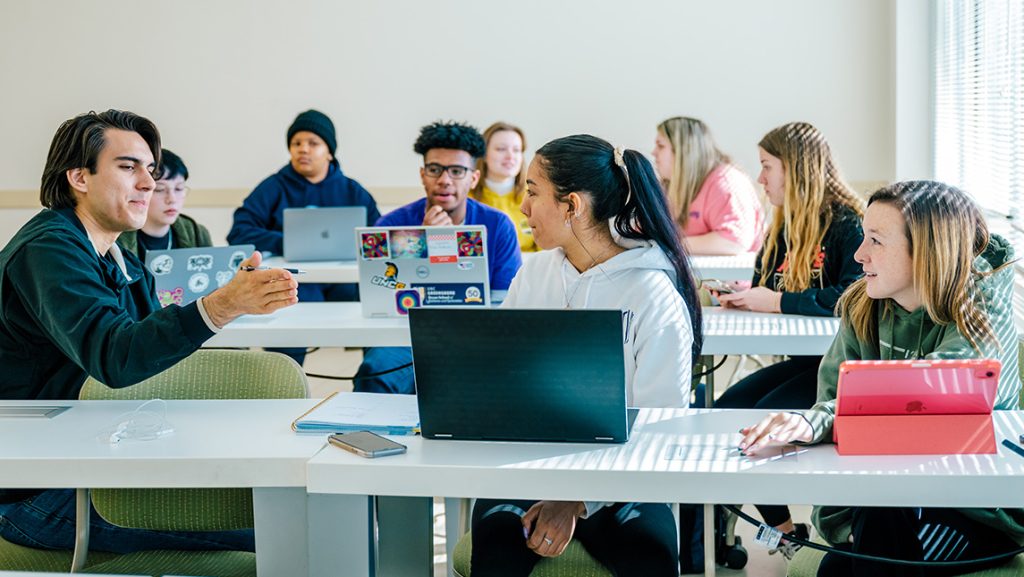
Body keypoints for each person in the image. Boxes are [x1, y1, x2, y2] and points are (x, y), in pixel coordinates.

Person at [0, 110, 298, 553]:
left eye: (150, 170)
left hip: (94, 457)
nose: (148, 183)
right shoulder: (49, 248)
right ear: (79, 177)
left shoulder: (120, 257)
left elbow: (150, 358)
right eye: (128, 167)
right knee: (281, 524)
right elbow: (117, 358)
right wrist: (221, 306)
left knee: (280, 501)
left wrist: (222, 305)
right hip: (34, 493)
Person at [739, 181, 1023, 576]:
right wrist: (839, 522)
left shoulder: (981, 309)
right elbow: (836, 400)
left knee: (848, 560)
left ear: (927, 251)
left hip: (975, 507)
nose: (859, 254)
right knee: (848, 556)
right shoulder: (863, 304)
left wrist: (816, 420)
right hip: (888, 496)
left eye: (876, 240)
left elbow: (929, 396)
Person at [470, 134, 704, 577]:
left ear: (572, 205)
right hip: (531, 469)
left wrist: (576, 500)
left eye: (533, 192)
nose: (522, 206)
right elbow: (501, 383)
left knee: (648, 556)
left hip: (625, 483)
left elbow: (660, 422)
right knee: (496, 548)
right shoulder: (533, 275)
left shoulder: (652, 294)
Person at [712, 121, 865, 554]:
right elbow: (766, 280)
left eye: (766, 167)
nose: (760, 179)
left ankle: (783, 532)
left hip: (839, 367)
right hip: (804, 361)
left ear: (796, 170)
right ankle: (780, 528)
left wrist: (776, 302)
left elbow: (852, 295)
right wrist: (744, 295)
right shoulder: (785, 225)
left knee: (757, 424)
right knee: (724, 414)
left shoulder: (847, 224)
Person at [353, 121, 522, 395]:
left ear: (474, 178)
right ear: (423, 175)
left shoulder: (498, 225)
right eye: (435, 170)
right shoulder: (391, 224)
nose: (445, 180)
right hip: (405, 336)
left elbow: (507, 302)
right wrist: (423, 243)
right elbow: (378, 295)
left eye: (457, 171)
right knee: (375, 371)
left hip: (475, 338)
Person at [227, 109, 379, 364]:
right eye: (296, 143)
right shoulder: (274, 186)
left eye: (313, 143)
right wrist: (287, 243)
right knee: (287, 315)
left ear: (329, 151)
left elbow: (375, 238)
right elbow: (239, 231)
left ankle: (372, 376)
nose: (303, 149)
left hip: (344, 283)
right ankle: (283, 382)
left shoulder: (352, 190)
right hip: (292, 280)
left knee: (374, 311)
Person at [652, 116, 764, 255]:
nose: (653, 153)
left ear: (683, 150)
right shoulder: (669, 186)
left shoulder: (725, 181)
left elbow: (733, 242)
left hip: (726, 276)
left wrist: (670, 244)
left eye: (661, 146)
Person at [118, 148, 211, 261]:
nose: (172, 199)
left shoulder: (196, 233)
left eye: (179, 188)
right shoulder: (116, 237)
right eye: (160, 189)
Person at [470, 121, 538, 252]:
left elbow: (550, 254)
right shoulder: (466, 199)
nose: (510, 156)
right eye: (501, 149)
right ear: (483, 155)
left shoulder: (537, 198)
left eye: (516, 150)